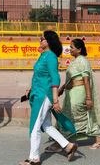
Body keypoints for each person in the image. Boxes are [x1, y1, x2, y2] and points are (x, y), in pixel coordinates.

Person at [19, 30, 78, 165]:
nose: (40, 40)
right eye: (40, 38)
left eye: (43, 38)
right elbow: (40, 76)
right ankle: (68, 145)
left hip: (44, 96)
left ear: (49, 41)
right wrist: (31, 88)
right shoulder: (43, 55)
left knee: (35, 126)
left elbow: (55, 78)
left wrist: (55, 100)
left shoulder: (50, 56)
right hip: (37, 93)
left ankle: (34, 159)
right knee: (46, 126)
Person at [46, 38, 100, 151]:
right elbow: (72, 79)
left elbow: (86, 80)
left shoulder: (83, 61)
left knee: (73, 116)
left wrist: (88, 98)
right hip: (71, 94)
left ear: (79, 49)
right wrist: (62, 88)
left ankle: (61, 142)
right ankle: (98, 140)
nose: (69, 49)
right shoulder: (75, 60)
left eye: (72, 47)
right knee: (70, 116)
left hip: (79, 93)